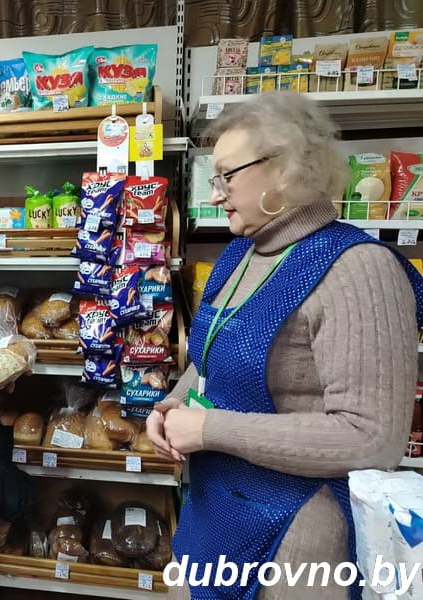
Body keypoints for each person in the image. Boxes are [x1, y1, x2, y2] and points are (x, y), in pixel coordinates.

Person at [146, 91, 423, 599]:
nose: (217, 192)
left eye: (228, 175)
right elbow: (213, 354)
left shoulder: (359, 268)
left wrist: (209, 427)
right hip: (214, 511)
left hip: (295, 533)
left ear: (288, 169)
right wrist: (172, 404)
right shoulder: (238, 256)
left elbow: (373, 437)